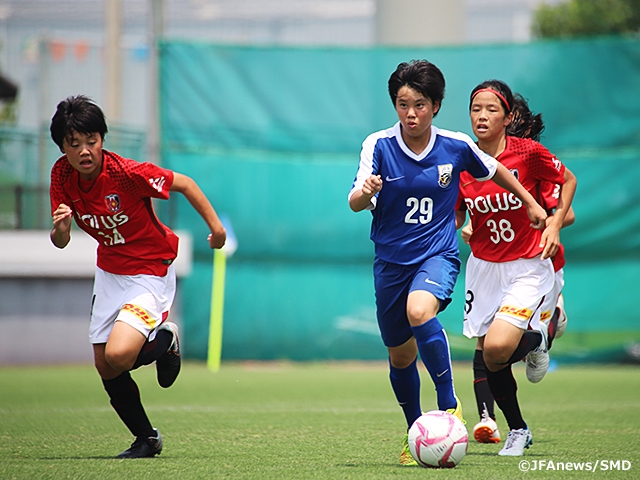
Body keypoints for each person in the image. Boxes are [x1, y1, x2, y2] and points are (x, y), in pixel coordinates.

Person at [347, 60, 549, 466]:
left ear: (436, 105)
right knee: (400, 357)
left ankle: (449, 402)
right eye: (403, 104)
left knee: (419, 309)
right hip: (389, 264)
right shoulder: (379, 145)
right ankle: (415, 431)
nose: (410, 114)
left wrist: (530, 202)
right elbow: (355, 202)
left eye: (419, 104)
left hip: (436, 255)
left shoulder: (455, 145)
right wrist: (365, 191)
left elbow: (495, 170)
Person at [49, 95, 227, 458]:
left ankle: (166, 341)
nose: (84, 151)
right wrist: (62, 230)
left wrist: (217, 229)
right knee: (104, 365)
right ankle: (146, 439)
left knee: (120, 355)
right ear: (63, 146)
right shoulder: (61, 175)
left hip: (149, 270)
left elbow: (186, 184)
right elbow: (61, 242)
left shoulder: (126, 174)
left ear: (102, 138)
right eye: (74, 143)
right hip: (110, 272)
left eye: (91, 140)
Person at [455, 80, 577, 456]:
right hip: (483, 267)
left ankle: (539, 336)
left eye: (492, 110)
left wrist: (554, 225)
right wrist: (463, 222)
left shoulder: (528, 153)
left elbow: (568, 179)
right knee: (489, 354)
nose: (482, 116)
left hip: (527, 264)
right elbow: (458, 208)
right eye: (477, 109)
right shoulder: (462, 160)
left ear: (508, 118)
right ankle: (517, 429)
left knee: (498, 346)